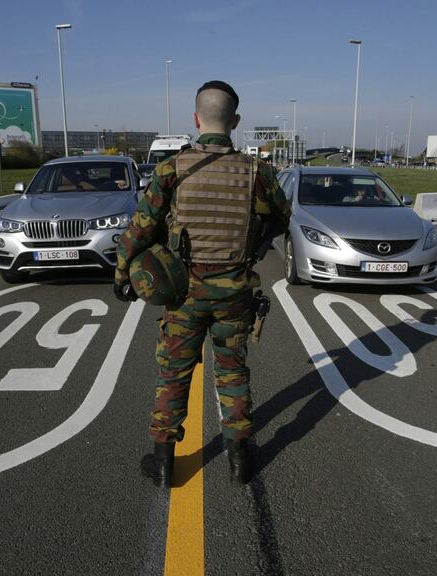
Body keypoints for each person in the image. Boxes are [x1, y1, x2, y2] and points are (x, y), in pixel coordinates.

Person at [113, 80, 290, 487]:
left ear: (196, 119)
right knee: (232, 371)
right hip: (235, 292)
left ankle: (162, 461)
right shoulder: (255, 170)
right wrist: (255, 245)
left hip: (184, 292)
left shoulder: (171, 168)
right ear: (236, 121)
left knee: (173, 373)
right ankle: (240, 457)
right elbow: (281, 216)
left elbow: (140, 229)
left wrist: (123, 273)